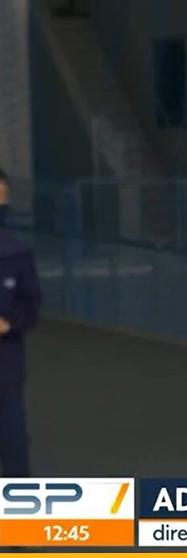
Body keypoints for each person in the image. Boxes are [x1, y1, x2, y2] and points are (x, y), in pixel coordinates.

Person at [0, 168, 42, 477]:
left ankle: (20, 522)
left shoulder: (17, 254)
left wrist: (10, 323)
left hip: (5, 375)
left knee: (15, 453)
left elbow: (31, 304)